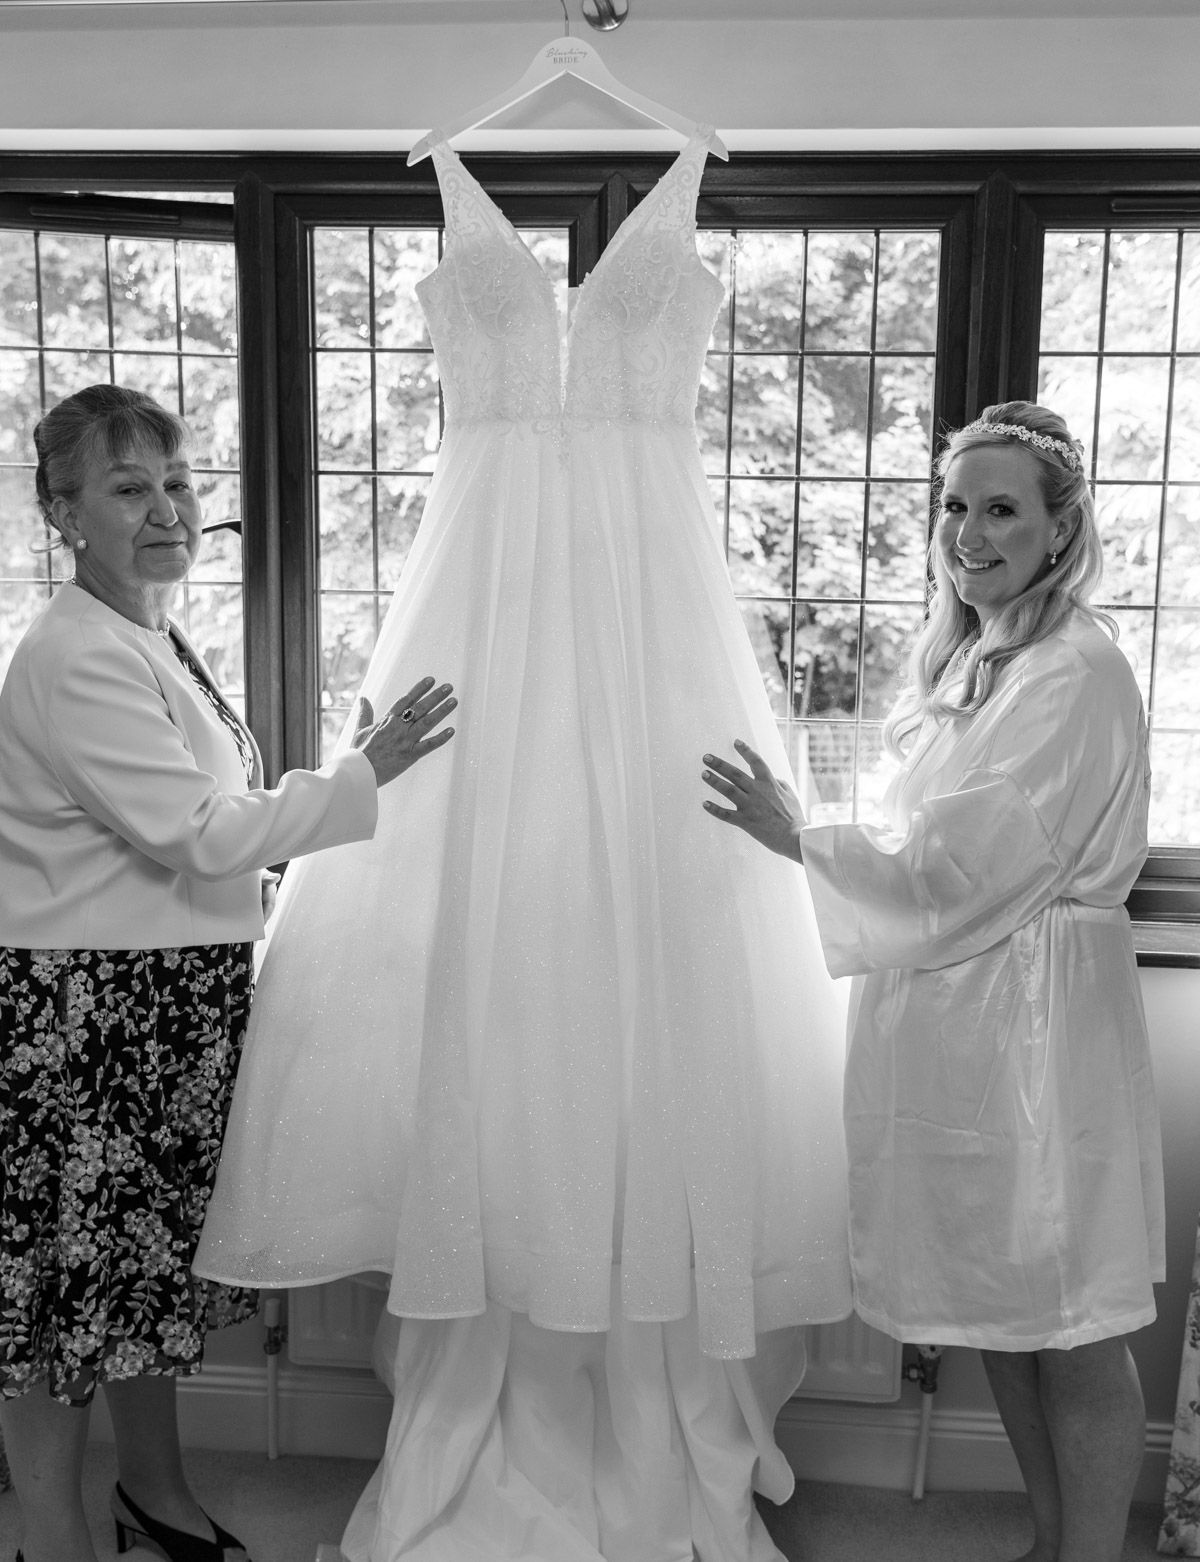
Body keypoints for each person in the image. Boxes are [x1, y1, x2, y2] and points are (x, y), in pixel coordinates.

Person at [195, 130, 851, 1562]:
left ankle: (643, 1410)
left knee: (649, 1015)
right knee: (489, 1013)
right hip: (479, 638)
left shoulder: (686, 200)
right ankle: (487, 1418)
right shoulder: (449, 190)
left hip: (653, 649)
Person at [702, 400, 1165, 1562]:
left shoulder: (1073, 671)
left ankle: (1088, 1554)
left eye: (1001, 508)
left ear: (1061, 528)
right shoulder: (980, 660)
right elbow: (931, 842)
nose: (968, 531)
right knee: (1001, 1309)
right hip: (969, 1023)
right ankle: (1051, 1537)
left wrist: (798, 837)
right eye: (955, 505)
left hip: (1040, 1027)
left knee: (1072, 1317)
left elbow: (968, 861)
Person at [0, 384, 455, 1562]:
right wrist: (362, 774)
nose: (167, 510)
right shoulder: (75, 654)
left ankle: (154, 1492)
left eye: (177, 483)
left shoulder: (145, 630)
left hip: (158, 1000)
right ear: (64, 513)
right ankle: (50, 1530)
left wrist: (340, 786)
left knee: (135, 1280)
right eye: (128, 487)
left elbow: (203, 807)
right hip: (87, 1017)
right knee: (64, 1296)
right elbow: (197, 833)